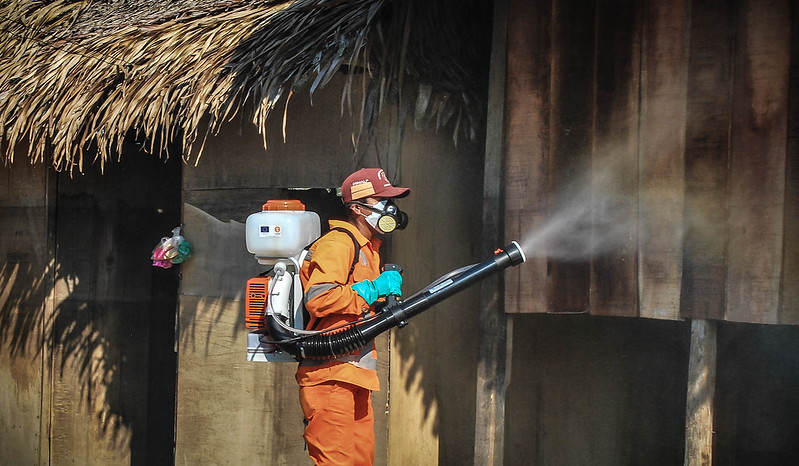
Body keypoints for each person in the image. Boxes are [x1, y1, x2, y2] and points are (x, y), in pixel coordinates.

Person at [297, 167, 410, 465]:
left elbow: (354, 304)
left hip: (354, 377)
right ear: (358, 208)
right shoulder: (338, 243)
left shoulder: (369, 250)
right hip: (330, 377)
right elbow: (320, 299)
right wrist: (373, 289)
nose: (391, 209)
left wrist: (379, 299)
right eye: (383, 200)